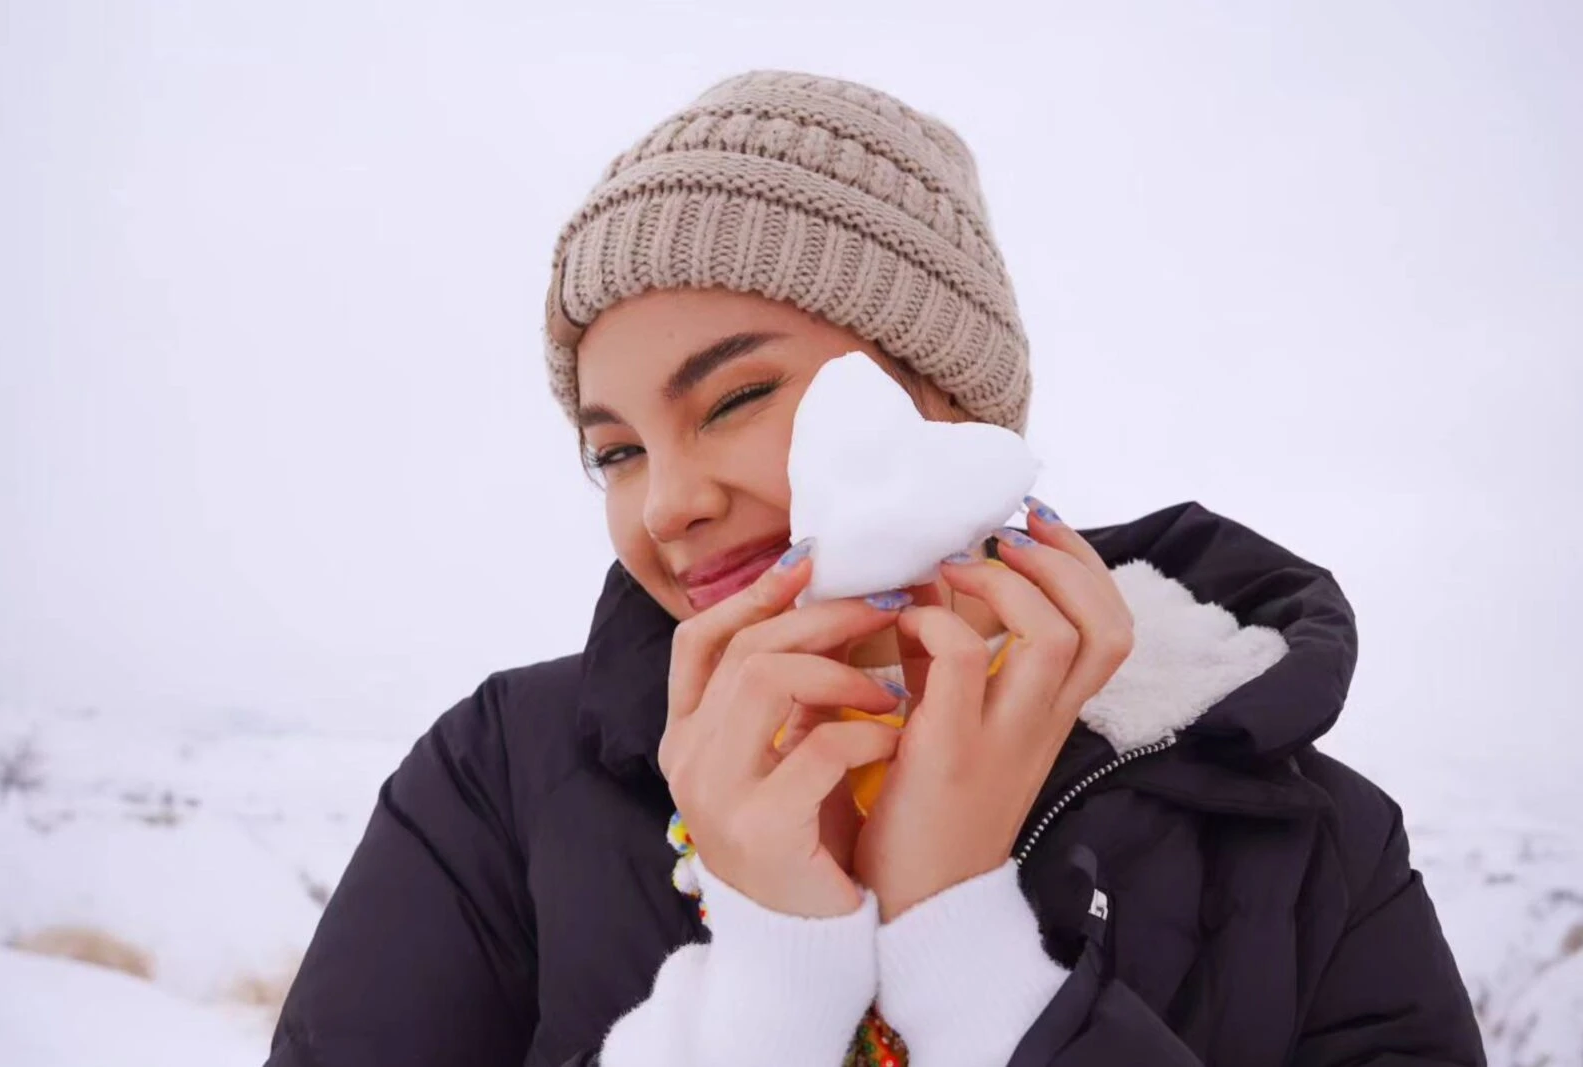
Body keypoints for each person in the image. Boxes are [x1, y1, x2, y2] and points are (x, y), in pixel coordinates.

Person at [267, 71, 1484, 1067]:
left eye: (737, 396)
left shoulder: (1306, 837)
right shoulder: (495, 780)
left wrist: (967, 953)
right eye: (617, 451)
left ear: (952, 398)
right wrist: (766, 989)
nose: (671, 502)